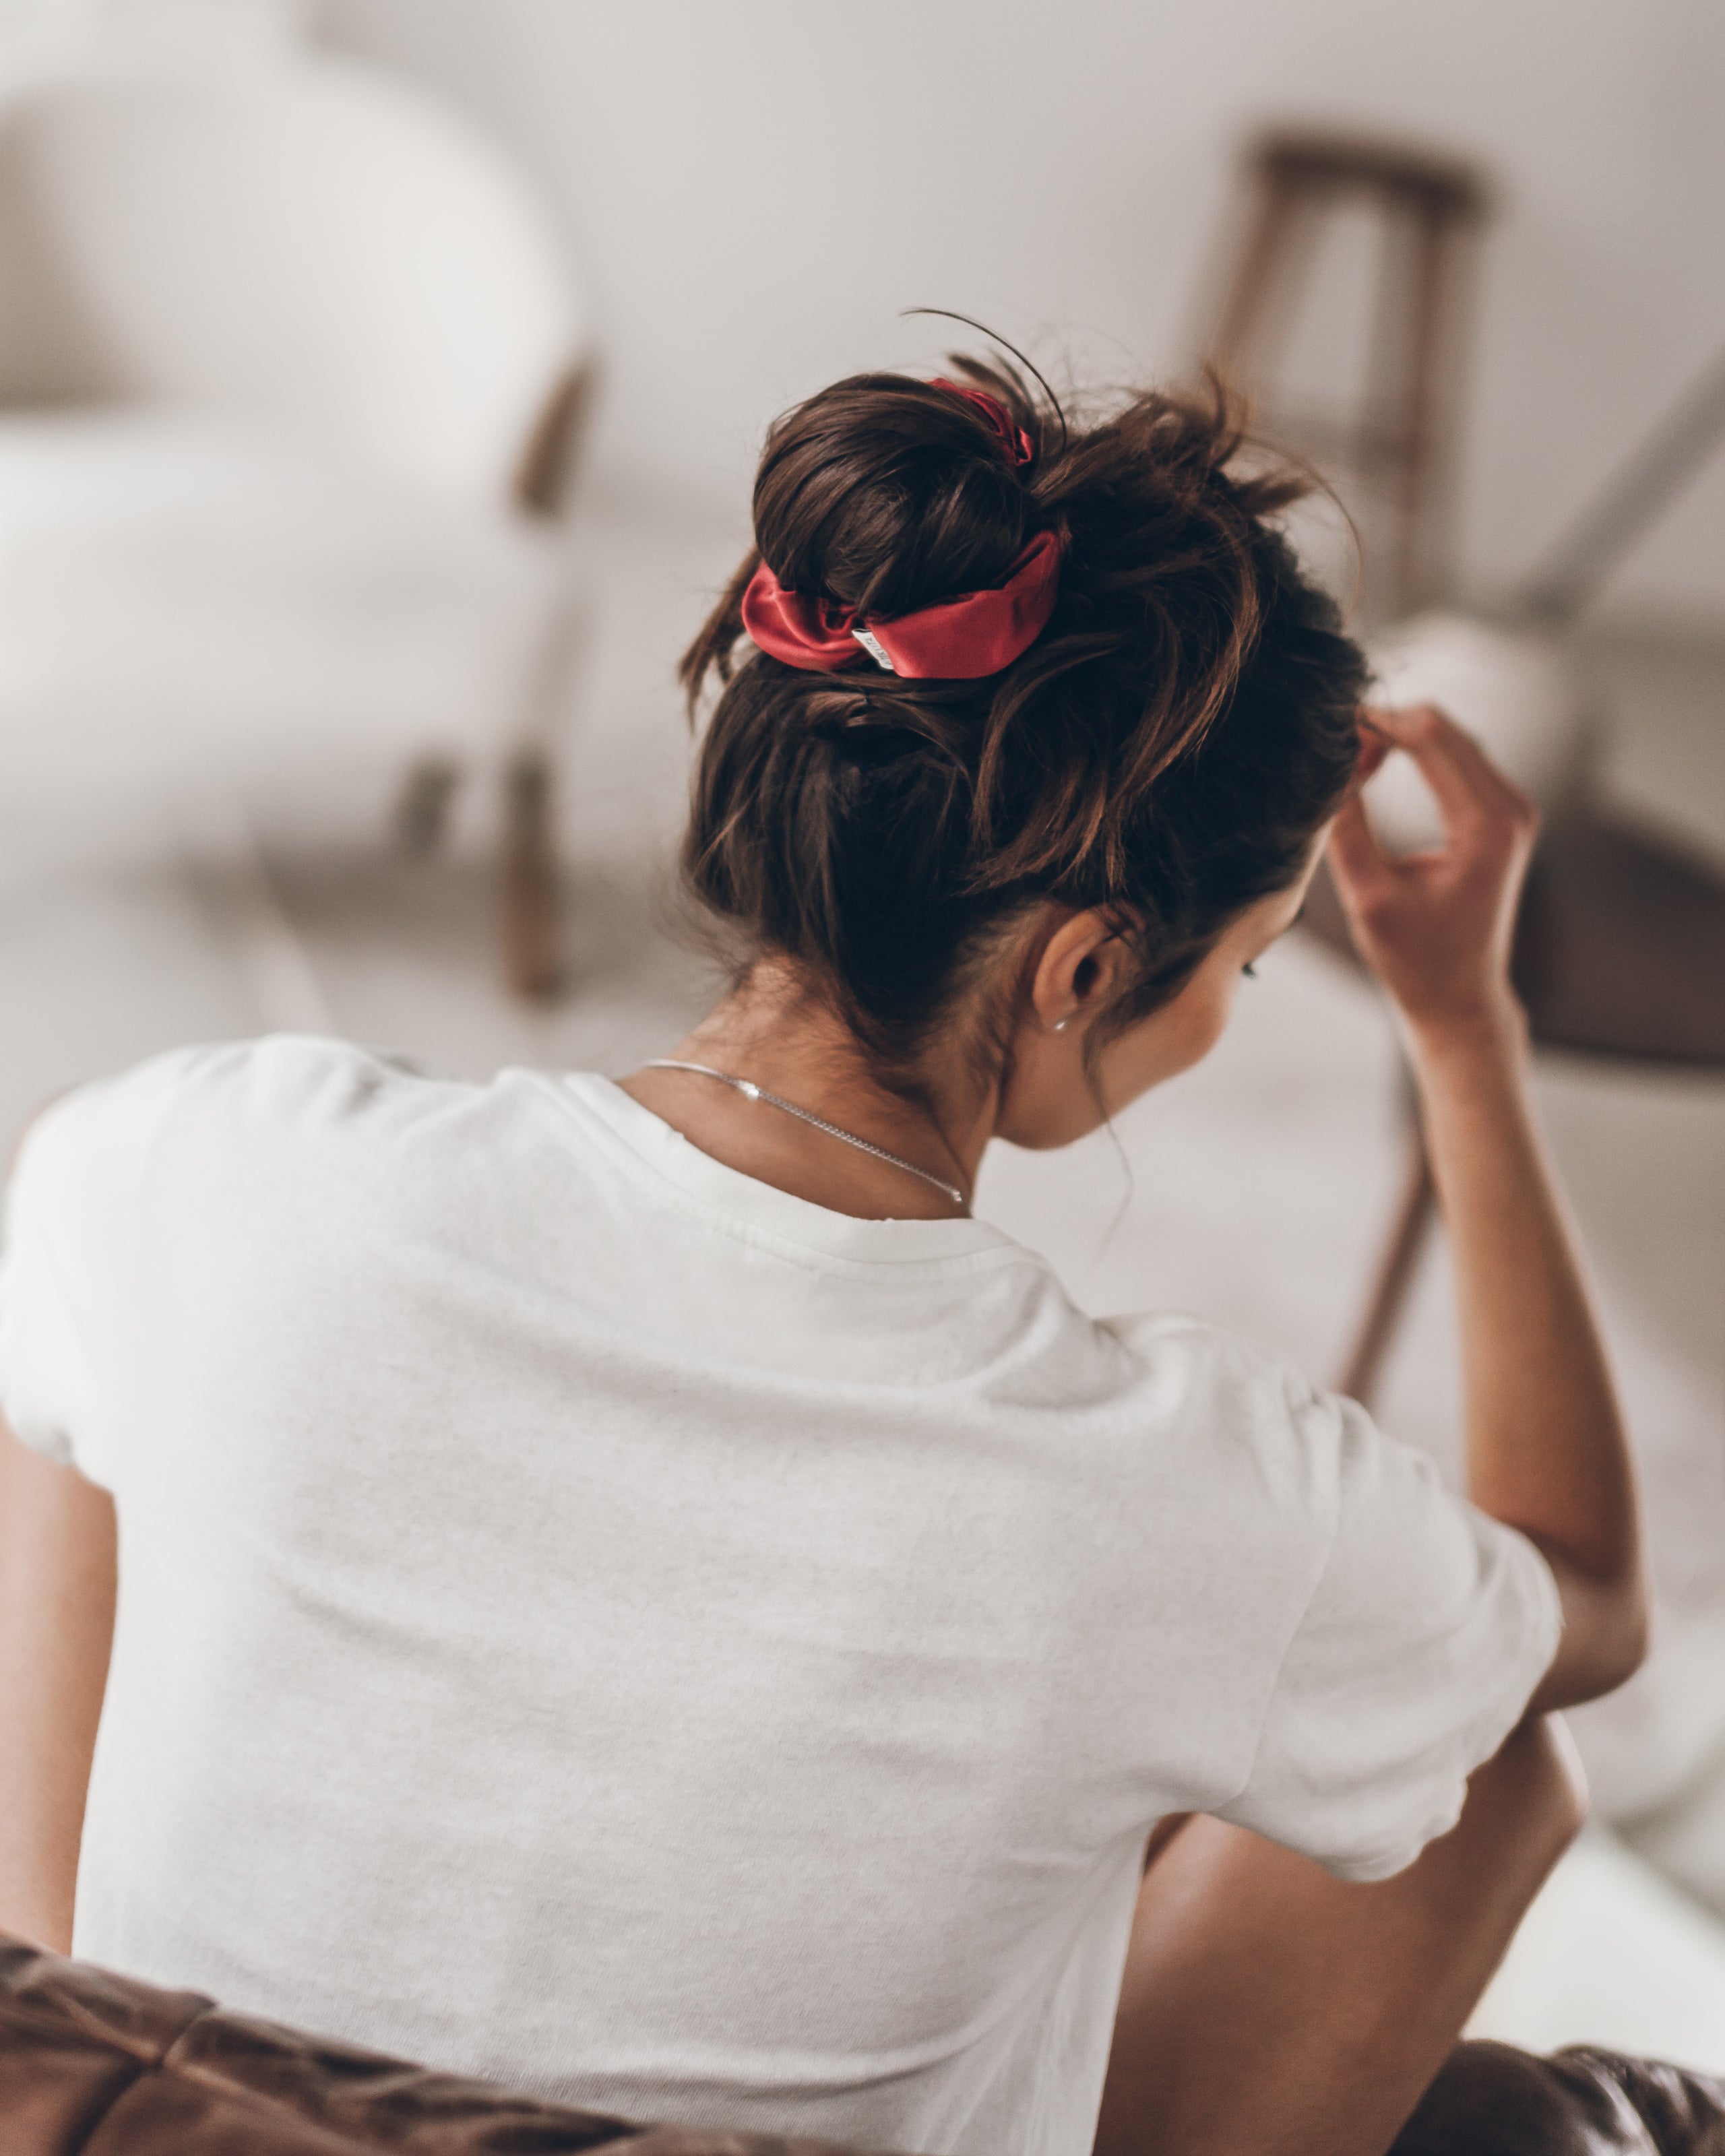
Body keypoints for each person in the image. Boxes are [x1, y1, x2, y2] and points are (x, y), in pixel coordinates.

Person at [0, 362, 1645, 2156]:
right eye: (1240, 971)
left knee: (85, 1363)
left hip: (159, 2117)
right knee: (1465, 1751)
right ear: (1082, 971)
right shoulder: (1178, 1489)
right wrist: (1464, 1030)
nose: (1219, 1019)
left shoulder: (194, 1161)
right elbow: (1586, 1606)